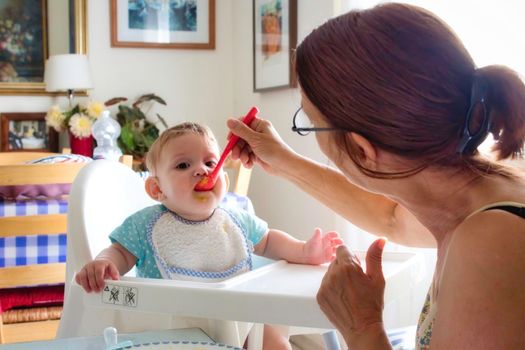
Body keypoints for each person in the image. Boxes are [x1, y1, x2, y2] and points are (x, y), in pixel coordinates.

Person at [226, 3, 525, 349]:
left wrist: (361, 326)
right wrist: (282, 160)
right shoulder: (484, 198)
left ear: (362, 149)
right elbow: (391, 217)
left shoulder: (490, 244)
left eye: (310, 122)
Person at [75, 122, 343, 350]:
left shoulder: (236, 219)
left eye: (210, 162)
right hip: (172, 327)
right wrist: (104, 262)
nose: (201, 170)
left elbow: (270, 241)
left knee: (273, 340)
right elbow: (120, 253)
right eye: (183, 165)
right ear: (157, 189)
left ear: (223, 178)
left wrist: (304, 251)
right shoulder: (148, 224)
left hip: (240, 320)